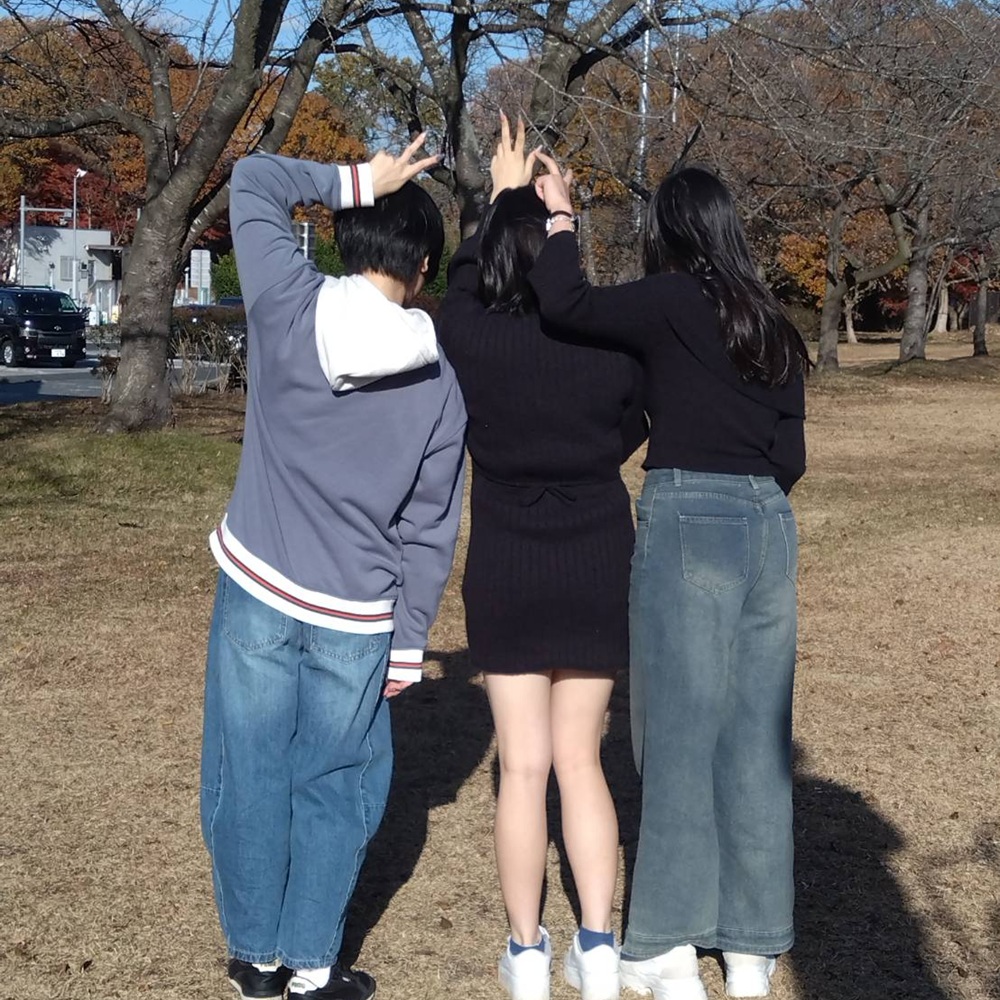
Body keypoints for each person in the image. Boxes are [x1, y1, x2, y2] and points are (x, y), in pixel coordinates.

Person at [528, 156, 809, 1000]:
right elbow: (790, 456)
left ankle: (669, 945)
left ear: (670, 232)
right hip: (770, 524)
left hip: (690, 513)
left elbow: (565, 303)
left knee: (679, 733)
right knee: (756, 738)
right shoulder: (772, 322)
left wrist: (561, 218)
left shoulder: (669, 299)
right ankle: (752, 951)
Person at [200, 138, 467, 1000]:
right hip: (357, 611)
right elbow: (429, 527)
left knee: (249, 768)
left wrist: (359, 178)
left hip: (258, 583)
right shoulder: (439, 384)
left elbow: (254, 179)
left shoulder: (286, 300)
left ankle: (255, 958)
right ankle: (313, 964)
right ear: (422, 269)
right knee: (336, 784)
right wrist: (409, 642)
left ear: (347, 238)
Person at [436, 117, 647, 1000]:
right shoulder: (609, 342)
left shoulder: (472, 338)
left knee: (521, 769)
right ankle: (597, 947)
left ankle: (526, 953)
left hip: (508, 566)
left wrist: (496, 198)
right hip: (596, 554)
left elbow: (457, 287)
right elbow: (636, 422)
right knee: (582, 762)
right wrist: (558, 218)